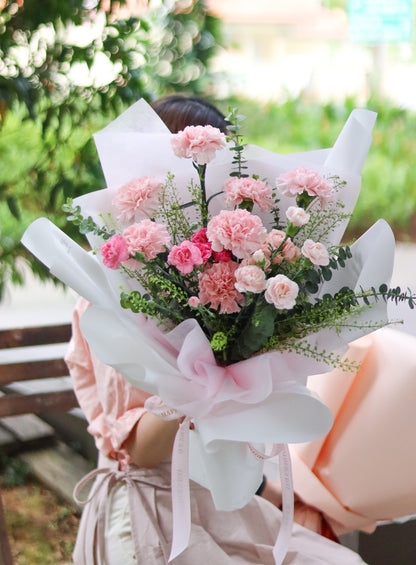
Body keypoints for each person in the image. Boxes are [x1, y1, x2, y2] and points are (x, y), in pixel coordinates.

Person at [66, 94, 369, 564]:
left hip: (225, 506)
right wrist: (200, 377)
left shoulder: (235, 287)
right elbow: (139, 453)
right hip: (150, 511)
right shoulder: (110, 296)